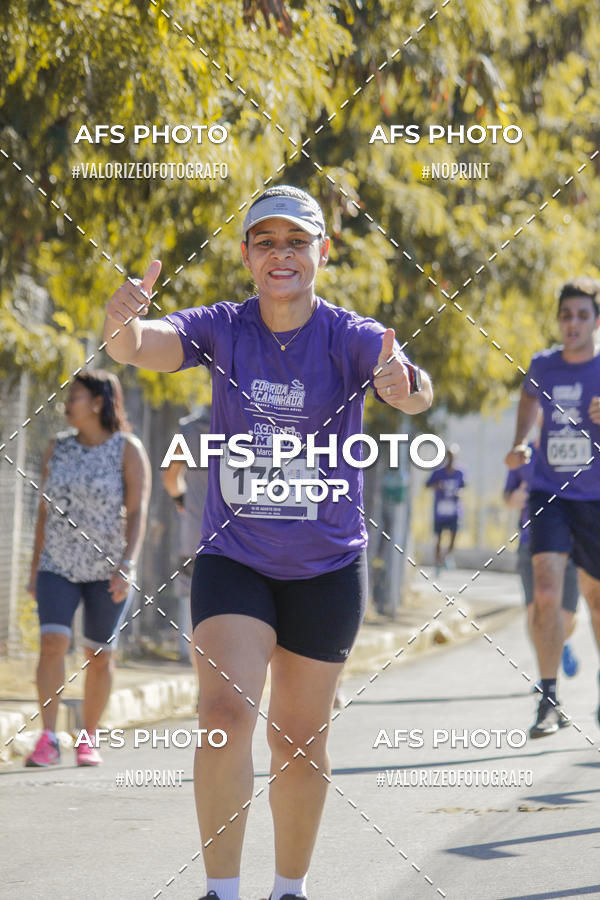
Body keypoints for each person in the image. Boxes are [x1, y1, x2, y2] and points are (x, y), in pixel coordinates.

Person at [103, 185, 433, 900]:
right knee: (224, 717)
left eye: (296, 241)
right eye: (266, 241)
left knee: (298, 739)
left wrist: (398, 383)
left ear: (322, 250)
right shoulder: (224, 327)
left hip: (326, 566)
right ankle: (221, 893)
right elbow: (146, 349)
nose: (281, 254)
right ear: (247, 255)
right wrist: (121, 327)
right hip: (235, 559)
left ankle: (290, 889)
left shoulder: (350, 335)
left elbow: (413, 392)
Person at [25, 370, 151, 766]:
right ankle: (47, 737)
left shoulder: (127, 449)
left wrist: (126, 564)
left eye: (75, 396)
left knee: (99, 655)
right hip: (57, 564)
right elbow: (44, 512)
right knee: (52, 643)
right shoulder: (56, 447)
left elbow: (137, 512)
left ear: (98, 402)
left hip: (108, 568)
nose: (66, 403)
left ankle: (88, 736)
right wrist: (34, 568)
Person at [505, 277, 600, 738]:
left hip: (596, 498)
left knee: (596, 601)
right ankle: (549, 699)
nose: (573, 323)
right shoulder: (543, 365)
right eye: (567, 315)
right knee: (545, 591)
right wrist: (521, 442)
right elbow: (528, 401)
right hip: (550, 494)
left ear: (596, 320)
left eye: (583, 315)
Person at [503, 435, 580, 679]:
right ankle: (544, 675)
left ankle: (561, 643)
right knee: (534, 611)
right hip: (530, 541)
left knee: (566, 616)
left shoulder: (576, 447)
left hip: (571, 542)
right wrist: (514, 498)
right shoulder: (524, 454)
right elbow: (507, 494)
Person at [161, 406, 211, 662]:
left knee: (197, 614)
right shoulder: (254, 424)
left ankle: (203, 684)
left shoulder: (189, 430)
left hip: (196, 535)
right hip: (244, 539)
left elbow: (169, 477)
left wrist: (182, 498)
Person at [425, 444, 465, 574]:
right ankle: (437, 563)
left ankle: (446, 557)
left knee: (453, 536)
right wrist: (438, 486)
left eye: (453, 457)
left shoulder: (460, 472)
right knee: (439, 537)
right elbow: (427, 485)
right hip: (440, 511)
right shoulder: (438, 472)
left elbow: (464, 487)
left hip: (454, 510)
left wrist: (459, 493)